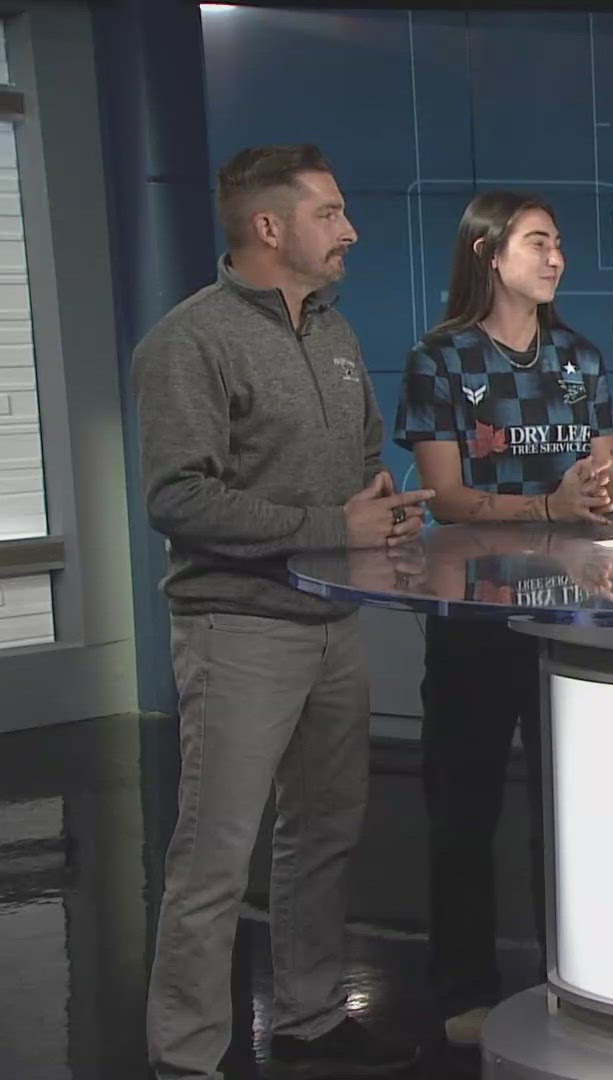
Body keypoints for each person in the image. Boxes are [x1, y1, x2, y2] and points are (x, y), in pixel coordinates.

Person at [136, 144, 425, 1079]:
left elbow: (365, 453)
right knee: (215, 856)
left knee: (324, 833)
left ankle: (306, 1014)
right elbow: (178, 498)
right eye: (331, 214)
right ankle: (184, 1055)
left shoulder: (335, 333)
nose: (350, 230)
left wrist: (378, 501)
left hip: (331, 625)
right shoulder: (191, 342)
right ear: (270, 227)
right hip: (238, 629)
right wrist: (326, 523)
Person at [392, 191, 613, 1048]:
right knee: (466, 808)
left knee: (566, 810)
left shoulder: (579, 355)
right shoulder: (441, 359)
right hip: (475, 611)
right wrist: (545, 511)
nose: (555, 257)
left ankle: (572, 973)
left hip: (570, 616)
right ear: (490, 252)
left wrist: (592, 495)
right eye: (537, 242)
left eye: (558, 243)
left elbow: (606, 472)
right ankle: (463, 988)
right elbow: (445, 497)